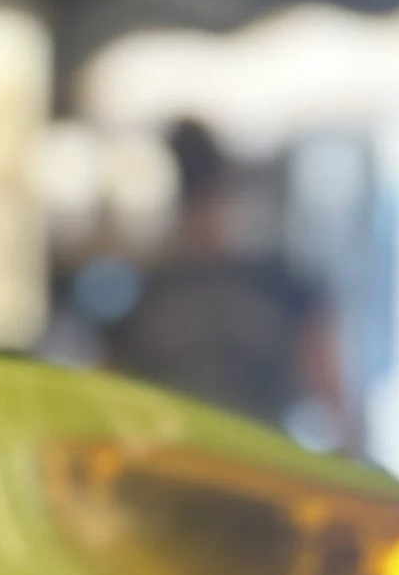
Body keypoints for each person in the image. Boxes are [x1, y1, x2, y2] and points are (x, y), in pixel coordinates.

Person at [103, 119, 347, 439]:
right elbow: (109, 392)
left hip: (242, 467)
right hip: (183, 463)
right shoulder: (144, 288)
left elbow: (331, 390)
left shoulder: (281, 283)